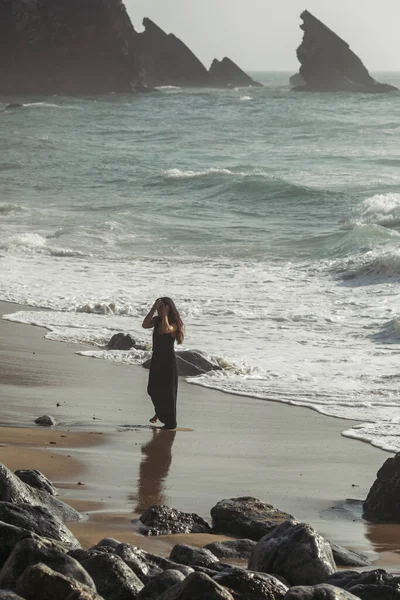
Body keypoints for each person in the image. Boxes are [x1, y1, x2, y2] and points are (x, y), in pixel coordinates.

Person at [142, 297, 184, 430]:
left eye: (161, 308)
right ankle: (159, 412)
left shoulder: (175, 323)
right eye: (158, 308)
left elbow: (166, 329)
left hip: (167, 361)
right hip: (156, 358)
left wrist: (165, 314)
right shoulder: (157, 320)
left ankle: (170, 422)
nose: (159, 311)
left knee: (167, 392)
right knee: (152, 389)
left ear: (167, 309)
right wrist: (153, 309)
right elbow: (144, 324)